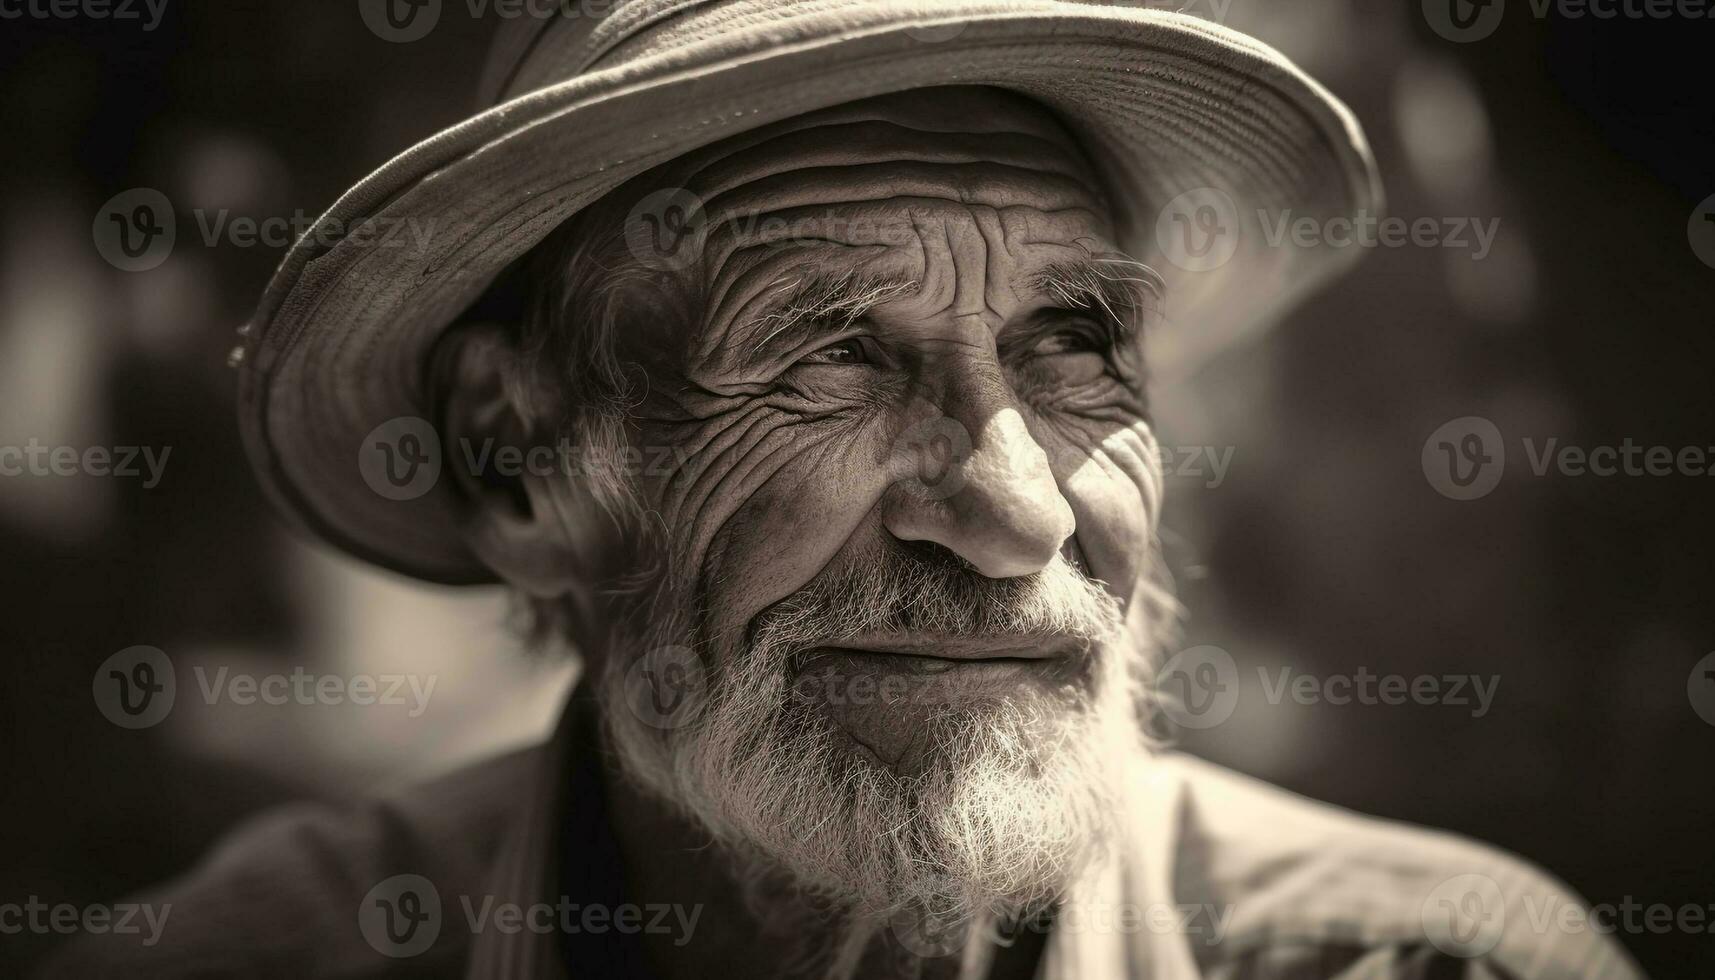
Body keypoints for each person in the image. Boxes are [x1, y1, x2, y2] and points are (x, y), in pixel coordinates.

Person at [44, 2, 1644, 977]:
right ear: (516, 458)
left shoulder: (1440, 968)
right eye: (826, 355)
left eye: (1076, 344)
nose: (1018, 511)